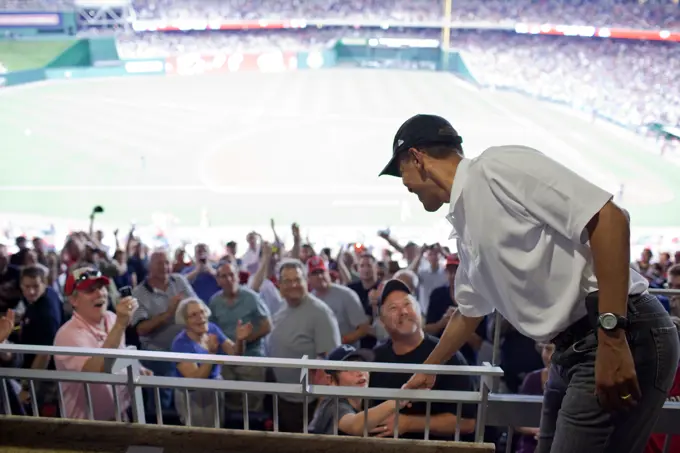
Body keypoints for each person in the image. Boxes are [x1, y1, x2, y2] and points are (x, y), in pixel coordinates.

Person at [379, 114, 680, 453]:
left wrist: (612, 337)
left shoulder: (495, 169)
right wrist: (428, 369)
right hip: (572, 351)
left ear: (417, 158)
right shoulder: (464, 223)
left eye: (401, 170)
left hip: (618, 333)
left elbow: (610, 219)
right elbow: (469, 312)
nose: (404, 183)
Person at [308, 344, 409, 436]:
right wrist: (397, 402)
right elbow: (354, 425)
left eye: (362, 365)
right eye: (349, 368)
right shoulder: (332, 403)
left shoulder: (367, 401)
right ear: (331, 380)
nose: (360, 372)